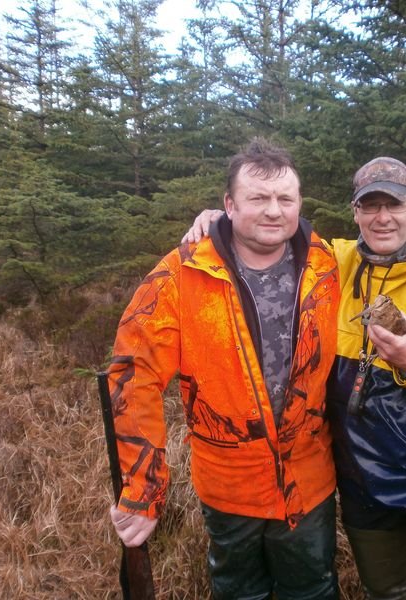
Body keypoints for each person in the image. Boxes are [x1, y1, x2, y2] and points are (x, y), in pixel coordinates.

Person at [184, 156, 406, 599]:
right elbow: (272, 230)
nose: (382, 218)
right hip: (362, 476)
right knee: (386, 592)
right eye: (370, 206)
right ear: (355, 212)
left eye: (394, 205)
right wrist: (221, 221)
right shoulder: (333, 262)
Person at [108, 138, 341, 600]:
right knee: (239, 593)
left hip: (309, 481)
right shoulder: (182, 274)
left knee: (312, 591)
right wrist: (143, 489)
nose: (273, 210)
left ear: (299, 203)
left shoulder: (329, 265)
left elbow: (392, 247)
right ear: (229, 205)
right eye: (258, 198)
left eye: (285, 198)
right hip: (229, 486)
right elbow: (134, 376)